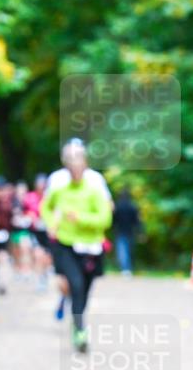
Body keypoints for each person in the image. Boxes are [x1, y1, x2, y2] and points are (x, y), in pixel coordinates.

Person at [41, 139, 113, 353]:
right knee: (75, 284)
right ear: (65, 160)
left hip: (91, 246)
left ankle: (76, 315)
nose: (75, 163)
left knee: (83, 289)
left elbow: (106, 213)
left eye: (78, 157)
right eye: (71, 158)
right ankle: (80, 326)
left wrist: (81, 218)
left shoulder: (95, 182)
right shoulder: (57, 181)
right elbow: (46, 206)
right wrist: (51, 224)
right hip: (65, 243)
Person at [25, 174, 52, 291]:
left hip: (48, 231)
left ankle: (44, 274)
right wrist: (30, 216)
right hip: (35, 231)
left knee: (47, 257)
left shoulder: (50, 197)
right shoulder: (30, 197)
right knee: (38, 254)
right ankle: (41, 278)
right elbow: (24, 211)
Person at [112, 188, 141, 276]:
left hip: (120, 231)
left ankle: (125, 269)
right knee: (129, 250)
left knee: (122, 251)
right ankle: (128, 268)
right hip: (130, 232)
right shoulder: (133, 206)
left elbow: (113, 221)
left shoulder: (117, 207)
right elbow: (137, 221)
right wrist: (140, 232)